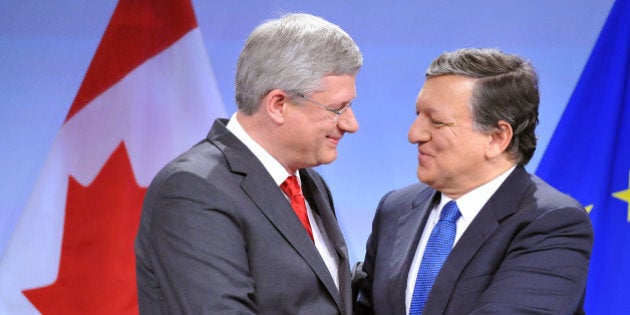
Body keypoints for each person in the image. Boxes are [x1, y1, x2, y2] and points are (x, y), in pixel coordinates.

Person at [135, 13, 362, 314]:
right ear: (278, 105)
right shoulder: (193, 189)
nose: (351, 124)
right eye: (338, 108)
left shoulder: (307, 181)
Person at [353, 48, 593, 314]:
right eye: (417, 115)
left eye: (437, 121)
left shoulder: (552, 222)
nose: (415, 134)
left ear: (496, 137)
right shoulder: (395, 208)